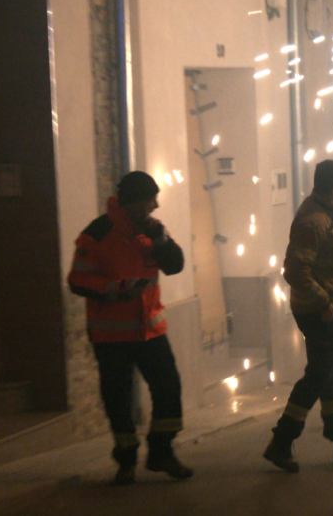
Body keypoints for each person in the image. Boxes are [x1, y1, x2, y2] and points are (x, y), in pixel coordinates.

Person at [67, 171, 193, 485]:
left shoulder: (150, 231)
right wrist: (117, 288)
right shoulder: (97, 233)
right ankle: (125, 459)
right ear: (134, 202)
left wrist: (161, 239)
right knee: (117, 398)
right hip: (111, 335)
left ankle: (161, 452)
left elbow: (175, 266)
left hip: (150, 330)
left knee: (168, 388)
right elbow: (77, 280)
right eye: (151, 200)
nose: (156, 205)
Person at [264, 160, 333, 473]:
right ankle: (282, 440)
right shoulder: (314, 221)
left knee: (329, 371)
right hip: (317, 311)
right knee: (319, 373)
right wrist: (325, 303)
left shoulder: (325, 215)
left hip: (330, 308)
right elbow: (295, 270)